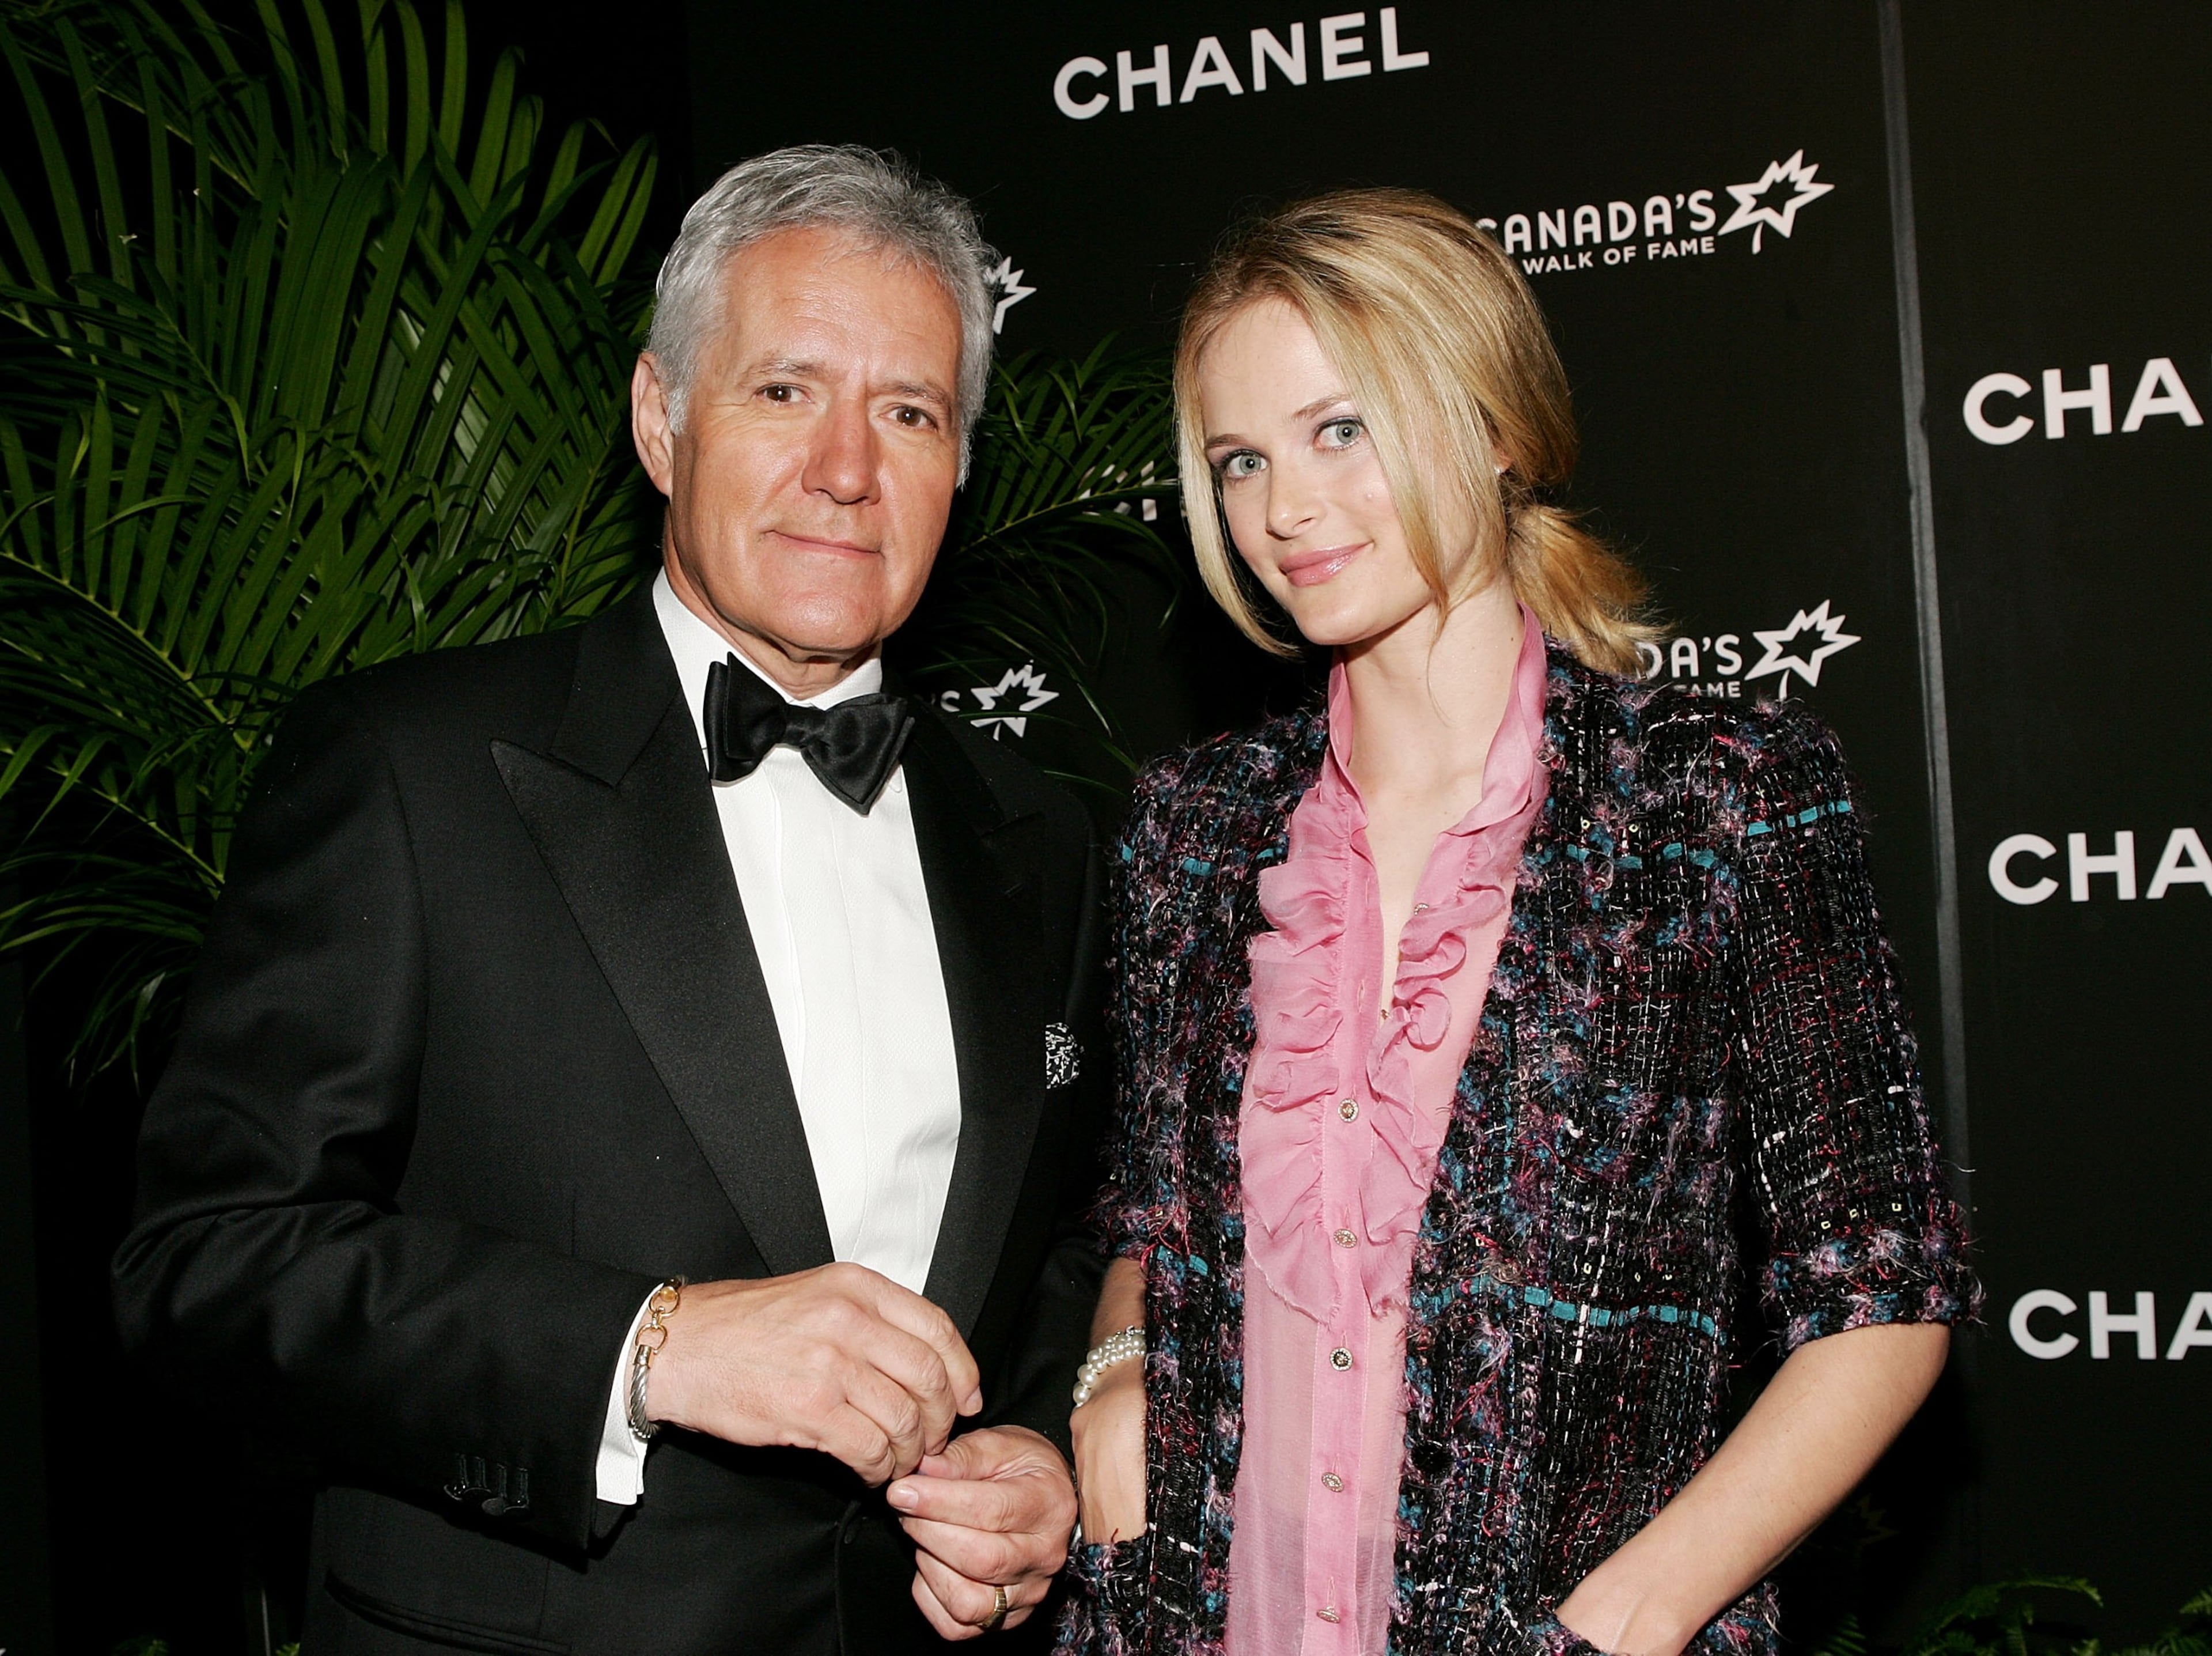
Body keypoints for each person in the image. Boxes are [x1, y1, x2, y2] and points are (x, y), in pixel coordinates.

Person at [113, 145, 1103, 1654]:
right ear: (661, 418)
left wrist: (1041, 1457)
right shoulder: (411, 770)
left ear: (959, 464)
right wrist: (648, 1346)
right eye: (786, 390)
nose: (849, 466)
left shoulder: (1040, 838)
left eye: (907, 411)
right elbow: (203, 1264)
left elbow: (1055, 1256)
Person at [1058, 190, 1979, 1656]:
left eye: (1339, 429)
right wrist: (1116, 1367)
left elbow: (1885, 1292)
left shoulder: (1720, 799)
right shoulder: (1196, 824)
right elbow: (1151, 1221)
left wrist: (1638, 1610)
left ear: (1493, 424)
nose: (1285, 505)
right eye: (1241, 459)